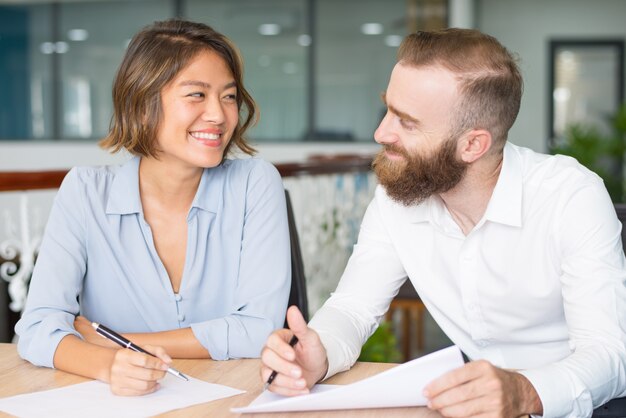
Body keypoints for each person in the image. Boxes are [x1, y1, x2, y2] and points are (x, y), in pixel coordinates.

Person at [260, 28, 626, 417]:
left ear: (472, 145)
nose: (381, 133)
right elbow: (353, 307)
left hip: (581, 404)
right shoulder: (396, 196)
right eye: (388, 109)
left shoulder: (571, 196)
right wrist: (319, 351)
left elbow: (609, 354)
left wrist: (524, 392)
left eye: (408, 122)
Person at [15, 19, 291, 396]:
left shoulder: (255, 184)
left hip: (233, 400)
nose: (219, 114)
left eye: (228, 96)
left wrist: (114, 341)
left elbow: (258, 329)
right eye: (197, 94)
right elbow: (37, 328)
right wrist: (110, 366)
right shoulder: (84, 192)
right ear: (143, 105)